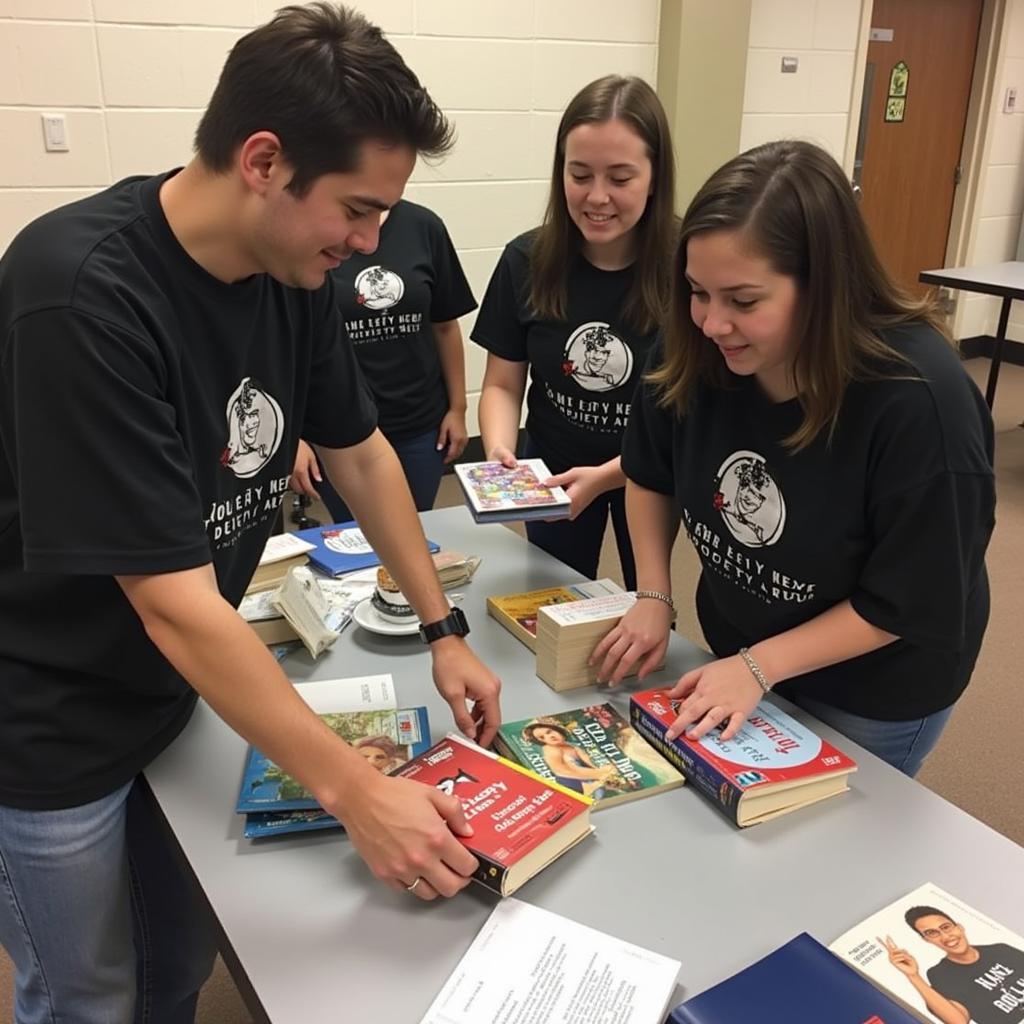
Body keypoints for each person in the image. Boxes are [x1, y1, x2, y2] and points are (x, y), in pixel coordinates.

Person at [0, 5, 501, 1021]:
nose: (368, 243)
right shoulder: (77, 291)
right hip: (45, 718)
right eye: (356, 210)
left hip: (178, 696)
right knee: (86, 995)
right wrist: (353, 792)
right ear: (264, 160)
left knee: (177, 962)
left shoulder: (293, 273)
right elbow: (172, 601)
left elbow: (358, 451)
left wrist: (443, 628)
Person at [592, 139, 994, 778]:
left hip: (876, 681)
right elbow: (650, 469)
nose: (713, 323)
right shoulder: (697, 347)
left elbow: (908, 600)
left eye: (744, 302)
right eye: (698, 292)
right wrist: (653, 593)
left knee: (837, 853)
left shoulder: (921, 403)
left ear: (825, 287)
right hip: (743, 647)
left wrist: (761, 667)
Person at [471, 75, 677, 590]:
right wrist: (500, 453)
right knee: (552, 601)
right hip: (553, 473)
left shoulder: (689, 267)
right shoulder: (526, 260)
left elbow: (696, 411)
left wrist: (610, 475)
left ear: (654, 178)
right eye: (579, 174)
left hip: (653, 475)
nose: (597, 197)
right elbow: (501, 383)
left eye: (620, 178)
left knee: (648, 605)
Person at [289, 198, 475, 522]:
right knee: (354, 538)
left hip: (418, 425)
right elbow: (286, 346)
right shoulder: (311, 230)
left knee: (416, 530)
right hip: (337, 433)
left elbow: (444, 326)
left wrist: (458, 408)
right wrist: (293, 437)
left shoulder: (424, 226)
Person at [882, 906, 1024, 1024]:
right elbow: (958, 1022)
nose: (945, 937)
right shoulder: (940, 975)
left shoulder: (1000, 950)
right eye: (932, 933)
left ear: (959, 927)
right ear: (926, 940)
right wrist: (913, 975)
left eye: (946, 927)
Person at [520, 721, 619, 798]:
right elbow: (569, 771)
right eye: (542, 737)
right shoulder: (551, 750)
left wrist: (606, 769)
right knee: (601, 793)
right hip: (575, 783)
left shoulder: (571, 746)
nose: (550, 737)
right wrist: (600, 774)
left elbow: (590, 762)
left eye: (549, 732)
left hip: (590, 778)